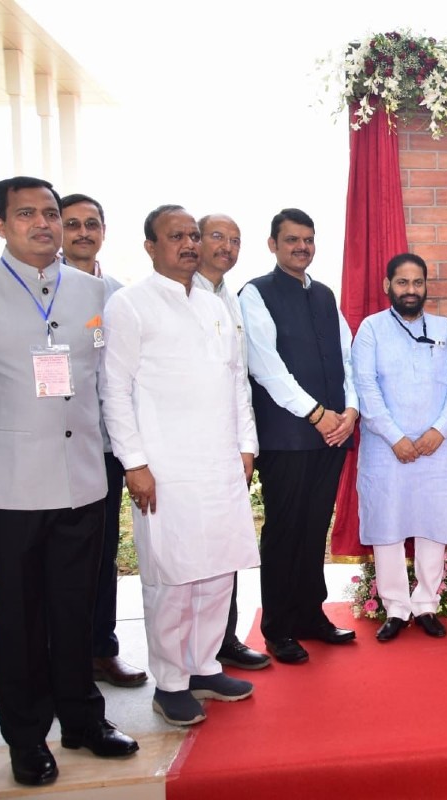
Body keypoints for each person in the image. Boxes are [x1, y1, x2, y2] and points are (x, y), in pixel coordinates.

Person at [0, 176, 138, 787]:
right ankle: (27, 737)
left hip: (84, 480)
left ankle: (83, 720)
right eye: (27, 214)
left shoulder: (94, 292)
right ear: (1, 225)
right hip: (11, 487)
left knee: (76, 609)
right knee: (20, 620)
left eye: (50, 213)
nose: (44, 225)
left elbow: (107, 375)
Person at [101, 205, 260, 726]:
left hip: (221, 463)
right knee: (172, 576)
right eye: (177, 236)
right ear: (150, 246)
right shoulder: (131, 304)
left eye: (194, 235)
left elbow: (236, 381)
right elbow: (115, 389)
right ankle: (170, 681)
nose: (190, 244)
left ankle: (204, 666)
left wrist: (247, 445)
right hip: (165, 467)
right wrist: (134, 463)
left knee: (217, 572)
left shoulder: (216, 304)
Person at [239, 208, 358, 664]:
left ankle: (311, 615)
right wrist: (316, 413)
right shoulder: (256, 293)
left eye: (308, 240)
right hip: (289, 435)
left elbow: (347, 360)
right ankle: (279, 627)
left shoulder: (326, 295)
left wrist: (350, 411)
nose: (301, 247)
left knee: (314, 529)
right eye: (291, 240)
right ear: (272, 244)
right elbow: (265, 366)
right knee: (285, 531)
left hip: (332, 434)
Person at [352, 253, 447, 640]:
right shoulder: (371, 329)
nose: (410, 290)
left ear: (425, 287)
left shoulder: (444, 328)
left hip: (435, 449)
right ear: (388, 286)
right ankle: (396, 609)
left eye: (417, 283)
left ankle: (425, 604)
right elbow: (365, 387)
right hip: (386, 449)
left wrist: (439, 430)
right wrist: (396, 437)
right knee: (387, 526)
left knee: (433, 523)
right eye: (402, 283)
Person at [58, 193, 149, 688]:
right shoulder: (43, 291)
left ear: (104, 231)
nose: (82, 233)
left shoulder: (118, 295)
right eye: (72, 224)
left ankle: (100, 648)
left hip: (108, 445)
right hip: (54, 448)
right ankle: (57, 658)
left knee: (102, 551)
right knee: (58, 557)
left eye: (91, 223)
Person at [193, 213, 271, 670]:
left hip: (231, 446)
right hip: (192, 449)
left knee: (225, 547)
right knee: (193, 555)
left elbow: (240, 379)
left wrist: (247, 445)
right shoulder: (183, 296)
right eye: (216, 237)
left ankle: (224, 640)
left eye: (234, 240)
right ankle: (193, 654)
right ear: (195, 242)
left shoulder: (233, 298)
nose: (226, 246)